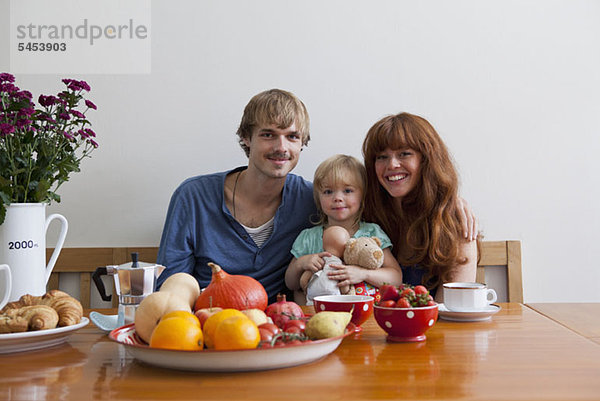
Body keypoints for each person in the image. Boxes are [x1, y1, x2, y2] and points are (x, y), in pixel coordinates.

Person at [156, 89, 317, 302]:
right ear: (246, 137)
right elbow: (172, 285)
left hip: (280, 328)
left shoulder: (311, 200)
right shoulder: (193, 197)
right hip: (209, 322)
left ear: (301, 143)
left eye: (292, 137)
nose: (281, 147)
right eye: (268, 134)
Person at [362, 112, 478, 301]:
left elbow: (452, 309)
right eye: (381, 157)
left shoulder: (454, 222)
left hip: (435, 329)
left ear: (427, 160)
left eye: (404, 154)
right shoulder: (366, 217)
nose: (391, 164)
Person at [285, 154, 403, 304]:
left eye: (347, 191)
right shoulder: (309, 237)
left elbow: (396, 278)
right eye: (328, 192)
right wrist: (301, 263)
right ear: (318, 198)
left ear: (363, 196)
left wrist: (363, 274)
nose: (337, 198)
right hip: (317, 316)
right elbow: (290, 283)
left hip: (364, 316)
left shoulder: (372, 233)